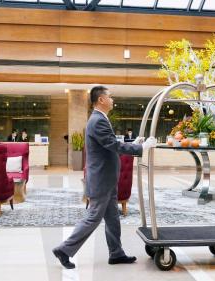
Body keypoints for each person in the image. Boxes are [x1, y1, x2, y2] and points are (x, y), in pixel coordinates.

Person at [52, 85, 156, 269]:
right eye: (110, 96)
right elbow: (111, 144)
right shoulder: (97, 120)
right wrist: (142, 148)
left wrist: (133, 143)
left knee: (113, 218)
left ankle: (116, 253)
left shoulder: (100, 119)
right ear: (101, 100)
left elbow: (110, 142)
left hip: (107, 179)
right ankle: (64, 249)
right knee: (93, 217)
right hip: (101, 180)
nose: (112, 99)